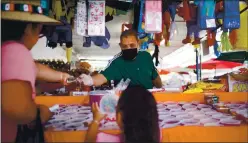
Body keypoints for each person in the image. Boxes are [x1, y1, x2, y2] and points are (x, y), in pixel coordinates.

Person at [1, 1, 72, 142]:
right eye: (40, 29)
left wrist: (60, 77)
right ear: (28, 28)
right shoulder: (16, 51)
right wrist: (40, 113)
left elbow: (35, 68)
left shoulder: (5, 50)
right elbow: (17, 109)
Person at [78, 29, 163, 89]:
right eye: (125, 46)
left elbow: (154, 76)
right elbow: (102, 77)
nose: (129, 48)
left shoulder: (146, 56)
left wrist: (161, 88)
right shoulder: (117, 63)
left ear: (138, 44)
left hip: (148, 100)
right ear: (120, 46)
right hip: (127, 104)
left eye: (132, 45)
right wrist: (90, 80)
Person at [85, 86, 160, 142]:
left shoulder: (105, 139)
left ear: (120, 116)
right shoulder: (157, 135)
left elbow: (89, 140)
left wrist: (95, 121)